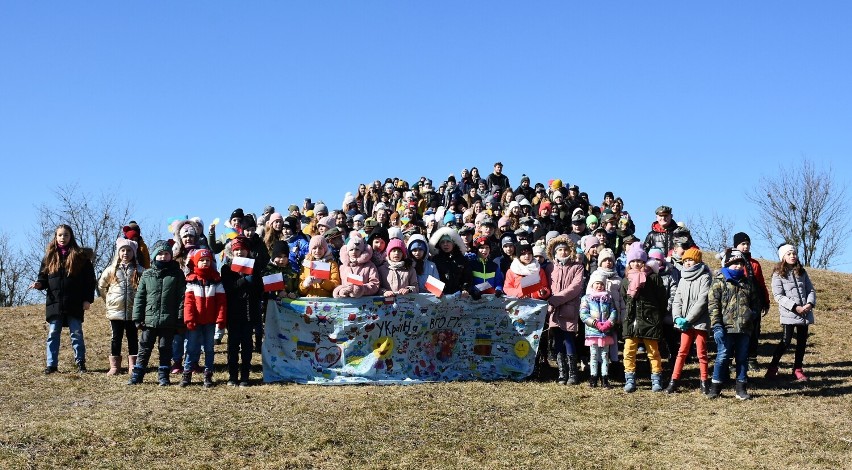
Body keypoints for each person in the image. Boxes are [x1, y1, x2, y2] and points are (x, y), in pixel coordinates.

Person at [31, 224, 96, 374]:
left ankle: (80, 363)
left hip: (75, 302)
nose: (62, 238)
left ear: (71, 237)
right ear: (55, 237)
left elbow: (89, 281)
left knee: (76, 333)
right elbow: (43, 279)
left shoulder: (80, 257)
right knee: (53, 334)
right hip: (55, 303)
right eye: (60, 235)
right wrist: (39, 284)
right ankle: (51, 365)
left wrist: (87, 300)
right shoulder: (49, 258)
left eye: (66, 235)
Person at [130, 240, 186, 386]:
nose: (163, 256)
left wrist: (180, 318)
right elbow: (140, 297)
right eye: (160, 254)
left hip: (169, 321)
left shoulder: (177, 274)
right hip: (149, 320)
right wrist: (137, 317)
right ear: (155, 256)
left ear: (171, 256)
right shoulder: (147, 274)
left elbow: (182, 297)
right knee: (144, 348)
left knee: (165, 349)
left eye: (166, 253)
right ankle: (137, 375)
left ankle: (163, 377)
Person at [707, 249, 759, 400]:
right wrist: (716, 325)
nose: (737, 266)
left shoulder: (748, 283)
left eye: (740, 263)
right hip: (725, 327)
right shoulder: (719, 281)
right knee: (722, 356)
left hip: (744, 328)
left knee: (742, 358)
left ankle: (741, 389)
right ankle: (715, 387)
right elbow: (713, 305)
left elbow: (756, 302)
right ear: (727, 264)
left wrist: (752, 314)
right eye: (734, 263)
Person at [766, 244, 816, 382]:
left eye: (794, 253)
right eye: (789, 254)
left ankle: (798, 369)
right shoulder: (778, 274)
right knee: (786, 341)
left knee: (801, 342)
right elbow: (778, 296)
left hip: (805, 313)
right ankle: (772, 367)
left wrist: (809, 304)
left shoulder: (802, 272)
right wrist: (795, 307)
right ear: (783, 257)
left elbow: (810, 290)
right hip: (789, 314)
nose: (792, 256)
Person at [621, 244, 667, 393]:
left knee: (653, 352)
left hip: (650, 320)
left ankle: (656, 378)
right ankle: (630, 379)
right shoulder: (625, 280)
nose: (636, 264)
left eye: (639, 261)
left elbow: (662, 299)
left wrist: (656, 315)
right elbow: (624, 298)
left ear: (644, 261)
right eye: (632, 261)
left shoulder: (653, 278)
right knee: (629, 351)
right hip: (632, 320)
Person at [666, 247, 712, 394]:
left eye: (690, 260)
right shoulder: (683, 278)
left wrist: (688, 319)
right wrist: (677, 317)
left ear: (697, 260)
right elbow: (677, 300)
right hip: (684, 323)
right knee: (682, 352)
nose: (687, 263)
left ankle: (704, 382)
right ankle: (674, 381)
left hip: (700, 322)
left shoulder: (705, 277)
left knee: (701, 353)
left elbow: (702, 300)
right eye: (685, 260)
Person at [98, 237, 145, 376]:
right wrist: (109, 300)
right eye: (123, 250)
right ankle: (115, 366)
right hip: (115, 311)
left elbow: (145, 287)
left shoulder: (140, 270)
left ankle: (133, 365)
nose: (125, 253)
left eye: (129, 250)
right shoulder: (111, 270)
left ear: (134, 253)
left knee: (133, 337)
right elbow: (101, 286)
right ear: (118, 252)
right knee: (116, 338)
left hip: (133, 311)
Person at [220, 236, 263, 387]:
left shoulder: (255, 266)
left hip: (250, 313)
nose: (239, 252)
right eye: (236, 250)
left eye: (242, 250)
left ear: (247, 251)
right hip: (233, 313)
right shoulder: (226, 268)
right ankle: (232, 376)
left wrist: (254, 279)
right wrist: (244, 279)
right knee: (232, 346)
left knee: (246, 346)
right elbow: (228, 288)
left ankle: (245, 376)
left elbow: (260, 290)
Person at [181, 248, 227, 388]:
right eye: (202, 260)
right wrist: (189, 319)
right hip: (195, 321)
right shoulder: (191, 280)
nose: (205, 263)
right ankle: (187, 373)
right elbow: (188, 303)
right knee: (191, 347)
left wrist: (221, 319)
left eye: (207, 260)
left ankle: (208, 374)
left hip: (210, 322)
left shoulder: (216, 280)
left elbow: (221, 302)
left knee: (209, 348)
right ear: (196, 262)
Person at [543, 236, 585, 385]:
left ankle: (573, 373)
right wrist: (546, 295)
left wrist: (555, 299)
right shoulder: (550, 267)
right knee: (558, 340)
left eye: (565, 249)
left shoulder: (577, 267)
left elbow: (575, 288)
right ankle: (562, 372)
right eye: (559, 250)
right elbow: (546, 285)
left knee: (569, 339)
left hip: (568, 309)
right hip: (553, 310)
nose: (562, 252)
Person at [732, 232, 771, 371]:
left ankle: (752, 359)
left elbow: (761, 283)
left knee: (754, 331)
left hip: (754, 302)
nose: (746, 246)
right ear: (736, 245)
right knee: (737, 330)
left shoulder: (755, 264)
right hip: (737, 302)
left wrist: (765, 301)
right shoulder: (732, 262)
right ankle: (733, 360)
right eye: (743, 244)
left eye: (748, 244)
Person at [580, 270, 618, 388]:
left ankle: (605, 378)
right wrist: (595, 323)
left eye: (601, 284)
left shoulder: (608, 298)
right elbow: (583, 314)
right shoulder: (587, 298)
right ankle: (593, 377)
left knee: (604, 355)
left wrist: (609, 323)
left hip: (605, 332)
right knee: (594, 354)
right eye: (597, 283)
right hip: (593, 332)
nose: (599, 286)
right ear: (592, 284)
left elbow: (613, 311)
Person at [429, 227, 475, 298]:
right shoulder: (435, 260)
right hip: (440, 298)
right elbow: (431, 278)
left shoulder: (462, 259)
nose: (445, 244)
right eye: (442, 242)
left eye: (448, 241)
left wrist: (465, 289)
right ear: (439, 245)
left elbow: (468, 277)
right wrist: (436, 291)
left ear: (453, 243)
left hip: (459, 297)